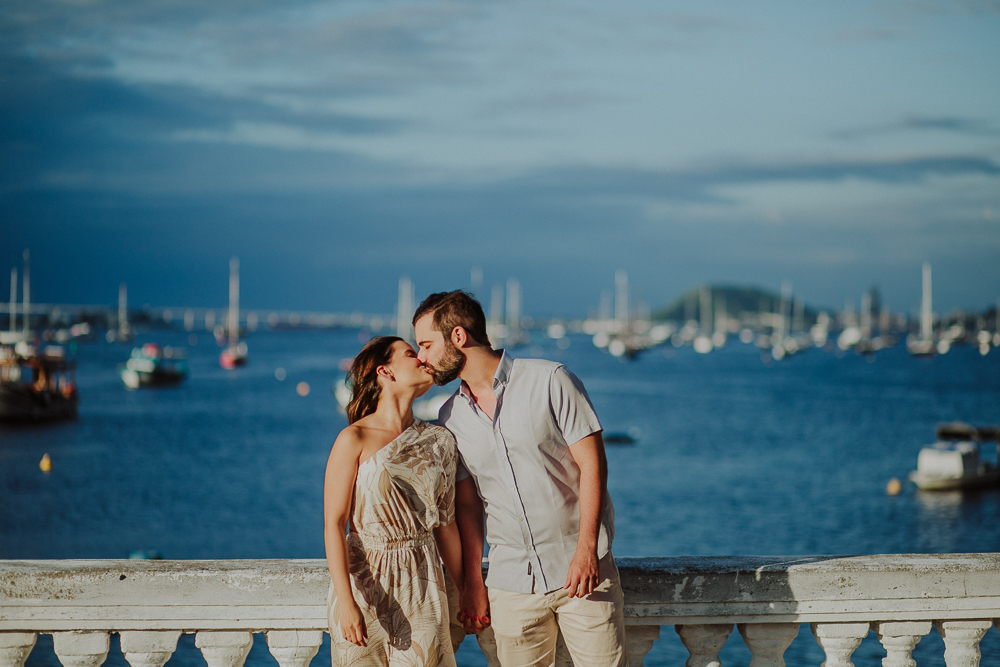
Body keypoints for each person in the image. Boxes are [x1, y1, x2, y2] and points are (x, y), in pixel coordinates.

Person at [413, 292, 628, 667]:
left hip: (583, 575)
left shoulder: (551, 380)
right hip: (511, 587)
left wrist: (586, 550)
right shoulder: (450, 417)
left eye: (427, 344)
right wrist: (473, 583)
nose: (421, 357)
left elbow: (593, 465)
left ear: (458, 337)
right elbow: (468, 505)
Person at [324, 336, 465, 667]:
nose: (422, 359)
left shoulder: (439, 441)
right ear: (385, 372)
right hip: (364, 582)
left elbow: (446, 525)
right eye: (411, 353)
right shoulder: (354, 438)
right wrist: (347, 602)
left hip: (423, 582)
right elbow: (334, 524)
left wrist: (465, 590)